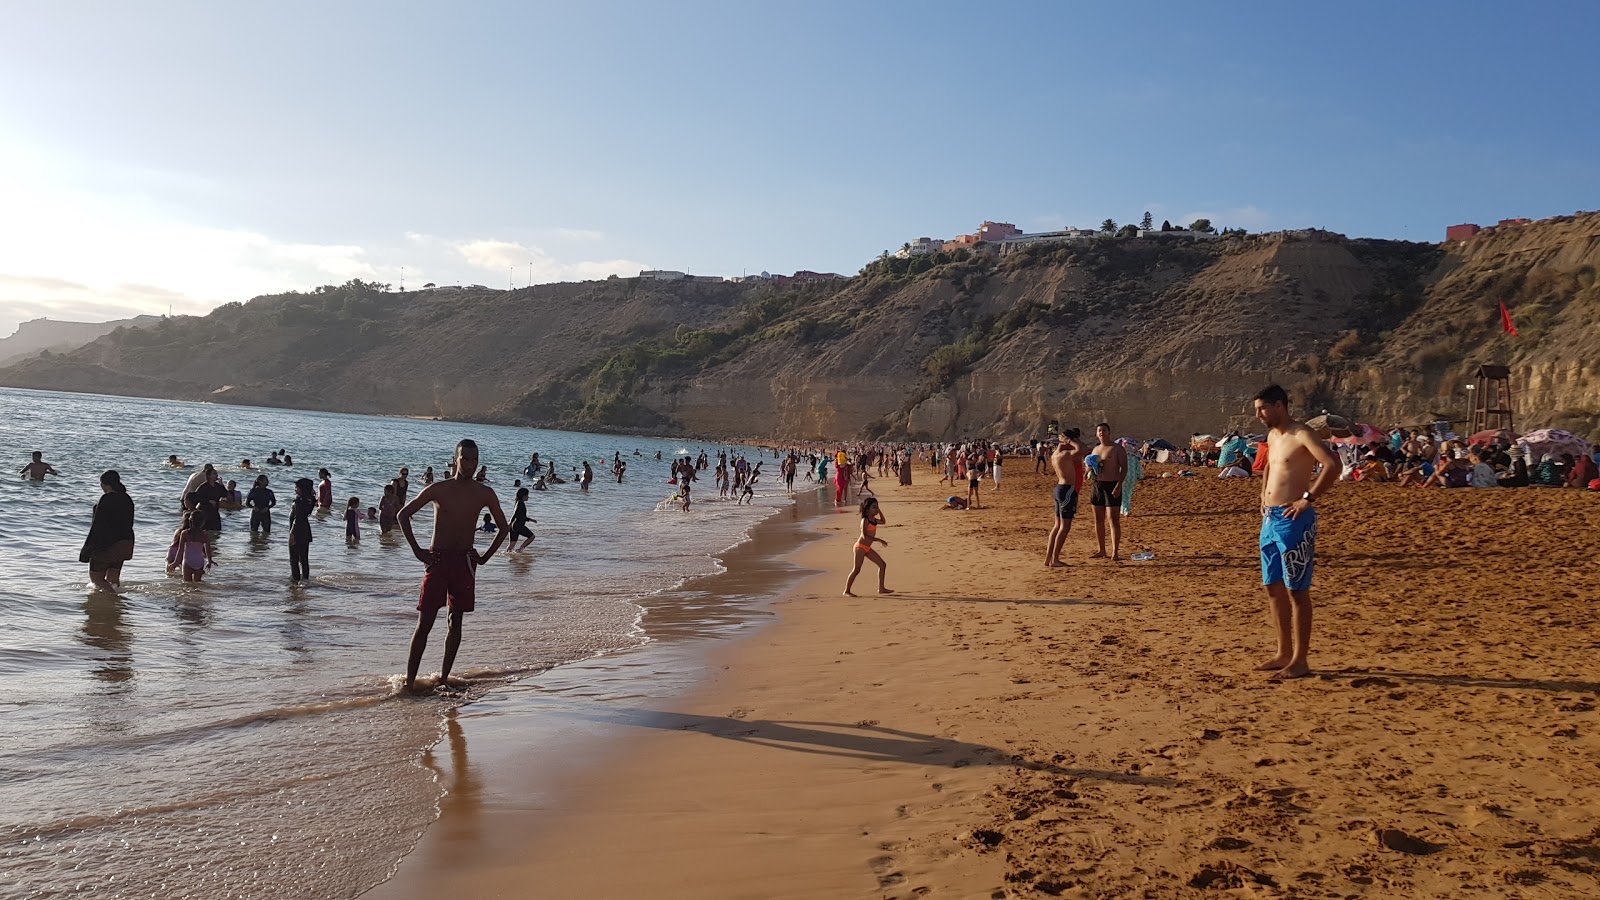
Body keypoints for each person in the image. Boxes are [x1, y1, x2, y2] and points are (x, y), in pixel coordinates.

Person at [399, 439, 510, 692]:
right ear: (455, 459)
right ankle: (409, 683)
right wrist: (418, 551)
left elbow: (504, 528)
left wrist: (484, 557)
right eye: (465, 459)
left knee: (455, 621)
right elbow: (403, 515)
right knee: (424, 622)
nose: (470, 464)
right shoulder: (439, 489)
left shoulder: (484, 493)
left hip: (464, 561)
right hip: (437, 560)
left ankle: (444, 679)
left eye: (474, 460)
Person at [1252, 384, 1339, 680]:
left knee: (1296, 590)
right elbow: (1268, 468)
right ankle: (1283, 652)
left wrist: (1308, 499)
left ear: (1279, 405)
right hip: (1271, 518)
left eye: (1262, 408)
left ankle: (1301, 659)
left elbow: (1332, 465)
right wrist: (1263, 497)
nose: (1259, 415)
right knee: (1272, 587)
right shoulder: (1272, 436)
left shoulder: (1302, 434)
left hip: (1294, 519)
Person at [81, 470, 135, 592]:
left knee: (96, 578)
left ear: (104, 484)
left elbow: (97, 525)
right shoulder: (127, 498)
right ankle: (115, 606)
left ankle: (114, 600)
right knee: (113, 578)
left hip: (107, 544)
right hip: (125, 543)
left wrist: (88, 547)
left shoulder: (106, 499)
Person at [1046, 429, 1087, 567]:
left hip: (1060, 489)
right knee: (1065, 526)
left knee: (1057, 525)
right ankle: (1055, 559)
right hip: (1067, 489)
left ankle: (1049, 558)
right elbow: (1082, 449)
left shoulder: (1055, 454)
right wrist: (1070, 441)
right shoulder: (1065, 454)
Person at [1090, 423, 1128, 561]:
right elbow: (1089, 469)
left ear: (1109, 432)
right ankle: (1101, 550)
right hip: (1097, 485)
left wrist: (1119, 485)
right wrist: (1089, 470)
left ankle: (1115, 552)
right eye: (1099, 430)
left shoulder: (1117, 449)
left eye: (1104, 430)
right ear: (1096, 433)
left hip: (1112, 485)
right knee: (1098, 520)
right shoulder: (1095, 450)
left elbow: (1124, 468)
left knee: (1113, 520)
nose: (1101, 433)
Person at [843, 497, 891, 596]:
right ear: (867, 509)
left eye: (877, 507)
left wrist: (879, 510)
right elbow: (865, 536)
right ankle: (846, 591)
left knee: (882, 565)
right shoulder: (865, 520)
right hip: (860, 547)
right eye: (874, 507)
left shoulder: (873, 519)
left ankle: (881, 589)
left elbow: (883, 521)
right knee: (857, 569)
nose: (876, 509)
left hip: (867, 548)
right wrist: (879, 540)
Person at [288, 477, 315, 583]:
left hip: (297, 530)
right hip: (305, 529)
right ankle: (305, 579)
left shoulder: (299, 501)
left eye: (297, 487)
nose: (295, 489)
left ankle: (295, 579)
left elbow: (297, 518)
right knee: (304, 558)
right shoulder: (310, 500)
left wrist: (292, 534)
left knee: (294, 558)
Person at [176, 512, 214, 582]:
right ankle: (198, 593)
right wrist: (209, 561)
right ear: (203, 522)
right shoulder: (204, 534)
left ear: (190, 521)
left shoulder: (185, 533)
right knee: (198, 583)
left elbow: (180, 550)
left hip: (188, 561)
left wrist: (176, 562)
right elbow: (207, 549)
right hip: (199, 562)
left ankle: (189, 593)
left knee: (187, 583)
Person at [507, 487, 536, 552]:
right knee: (532, 537)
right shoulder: (520, 503)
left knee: (511, 545)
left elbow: (520, 516)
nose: (528, 497)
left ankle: (506, 556)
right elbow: (515, 514)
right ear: (524, 496)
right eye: (527, 495)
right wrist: (510, 522)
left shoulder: (518, 502)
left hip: (514, 526)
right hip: (518, 525)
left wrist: (530, 519)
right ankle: (520, 549)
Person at [1120, 447, 1143, 516]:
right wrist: (1141, 476)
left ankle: (1124, 509)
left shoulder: (1120, 457)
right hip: (1132, 478)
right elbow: (1139, 469)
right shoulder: (1134, 458)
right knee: (1129, 493)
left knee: (1123, 494)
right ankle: (1126, 509)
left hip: (1122, 477)